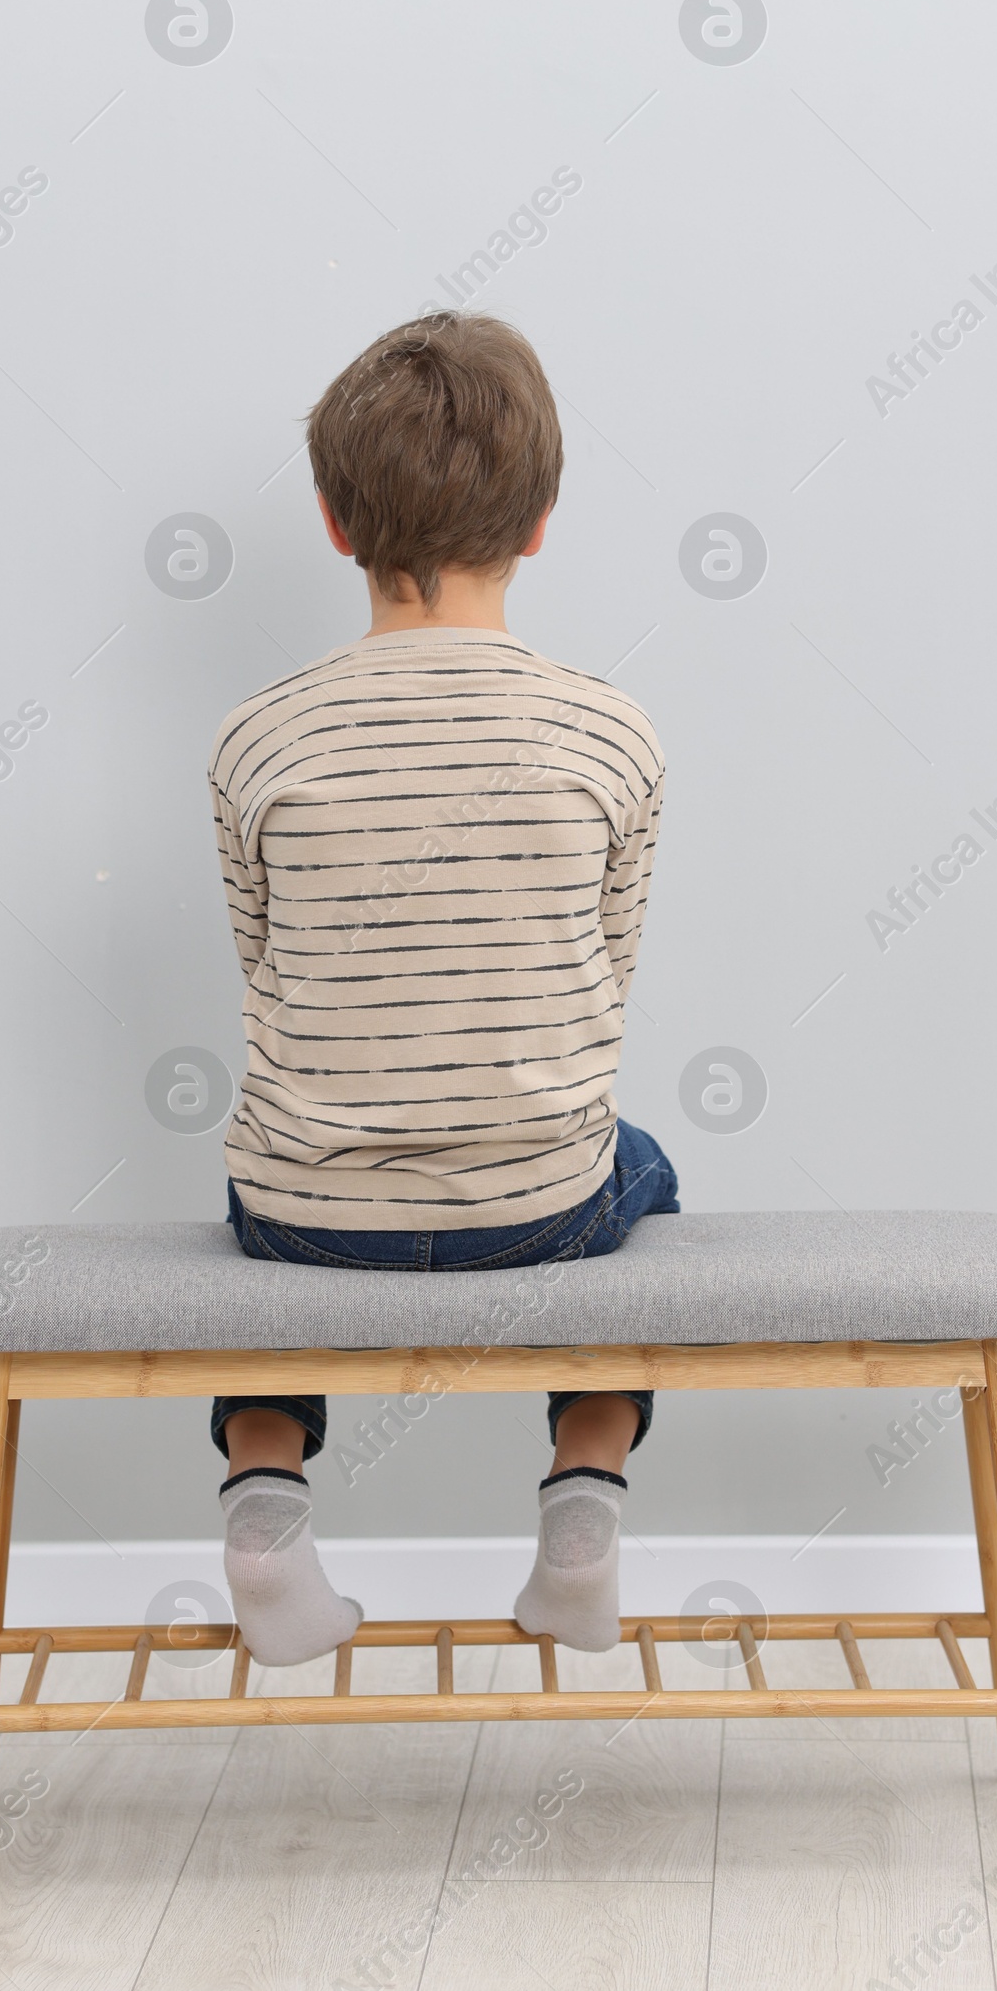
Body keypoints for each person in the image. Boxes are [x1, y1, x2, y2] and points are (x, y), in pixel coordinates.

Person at [206, 311, 677, 1664]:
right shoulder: (613, 730)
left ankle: (264, 1482)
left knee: (258, 1166)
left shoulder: (256, 736)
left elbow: (268, 971)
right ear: (539, 525)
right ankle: (586, 1485)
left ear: (334, 523)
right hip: (541, 1206)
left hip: (312, 1219)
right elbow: (605, 978)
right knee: (643, 1161)